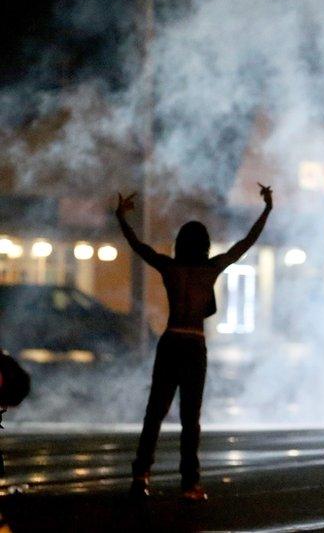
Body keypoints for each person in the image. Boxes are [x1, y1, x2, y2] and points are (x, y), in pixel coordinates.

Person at [116, 184, 272, 501]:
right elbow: (245, 244)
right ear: (204, 245)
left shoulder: (170, 268)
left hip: (170, 340)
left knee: (155, 412)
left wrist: (120, 216)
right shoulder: (210, 269)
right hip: (194, 344)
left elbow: (138, 246)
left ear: (179, 244)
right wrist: (266, 209)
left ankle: (141, 474)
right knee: (191, 418)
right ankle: (189, 484)